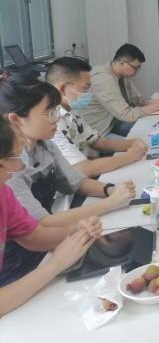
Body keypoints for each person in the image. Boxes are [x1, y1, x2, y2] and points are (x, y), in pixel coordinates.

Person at [0, 74, 135, 282]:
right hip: (17, 265)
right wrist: (110, 203)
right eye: (49, 113)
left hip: (45, 247)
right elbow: (41, 223)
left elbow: (75, 182)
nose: (56, 119)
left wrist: (109, 190)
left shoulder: (45, 144)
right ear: (16, 119)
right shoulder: (8, 170)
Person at [0, 117, 101, 312]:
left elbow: (33, 236)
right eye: (15, 159)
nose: (21, 167)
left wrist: (77, 230)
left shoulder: (3, 192)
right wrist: (54, 265)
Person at [45, 57, 148, 177]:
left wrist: (133, 143)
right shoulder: (53, 122)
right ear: (63, 88)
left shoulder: (72, 110)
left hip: (89, 168)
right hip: (78, 181)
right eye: (85, 88)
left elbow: (97, 142)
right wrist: (130, 156)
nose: (90, 93)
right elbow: (83, 169)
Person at [79, 44, 159, 137]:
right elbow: (126, 114)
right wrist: (157, 106)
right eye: (135, 68)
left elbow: (137, 100)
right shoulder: (103, 79)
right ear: (122, 63)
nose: (136, 72)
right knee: (142, 143)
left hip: (114, 122)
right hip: (99, 132)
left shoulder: (121, 75)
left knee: (153, 129)